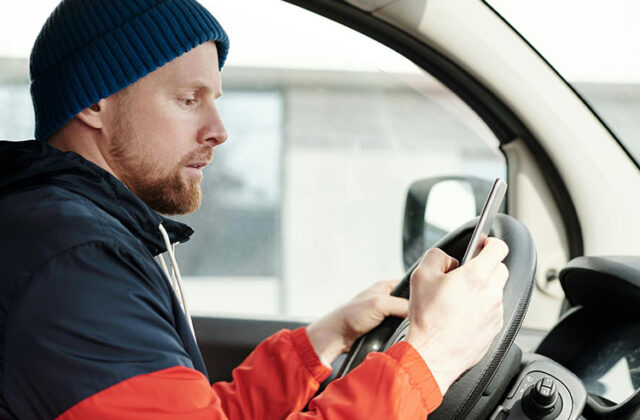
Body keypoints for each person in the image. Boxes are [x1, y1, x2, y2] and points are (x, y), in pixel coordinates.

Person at [0, 0, 509, 418]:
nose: (219, 130)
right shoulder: (73, 262)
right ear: (95, 102)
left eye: (215, 99)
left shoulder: (77, 232)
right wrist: (431, 355)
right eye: (188, 99)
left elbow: (185, 411)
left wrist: (328, 336)